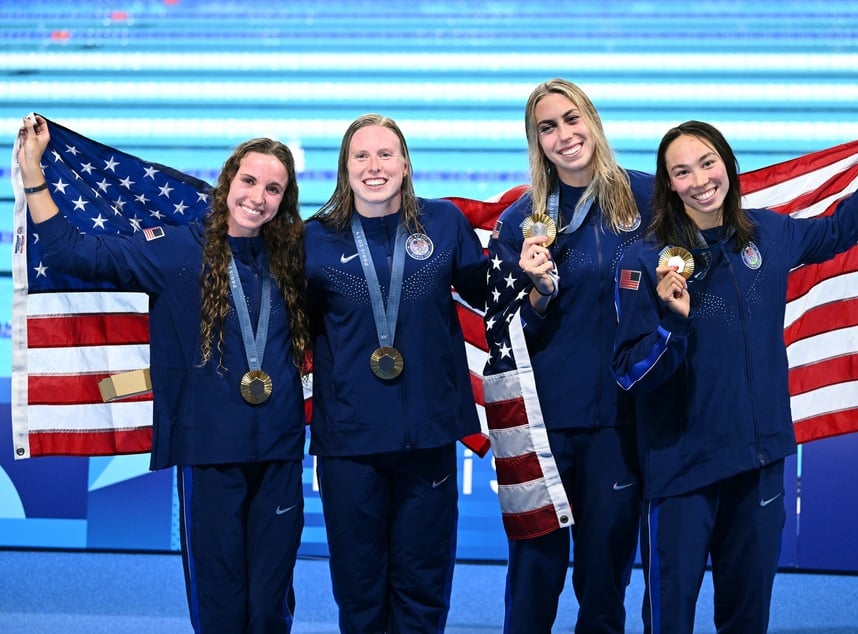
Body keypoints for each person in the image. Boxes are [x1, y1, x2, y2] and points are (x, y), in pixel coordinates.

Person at [611, 120, 858, 633]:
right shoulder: (645, 262)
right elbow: (631, 375)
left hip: (758, 461)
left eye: (708, 163)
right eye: (682, 171)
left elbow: (836, 231)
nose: (700, 180)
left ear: (728, 165)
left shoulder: (769, 234)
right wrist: (673, 324)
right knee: (670, 621)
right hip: (682, 470)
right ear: (669, 184)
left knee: (748, 619)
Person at [16, 115, 310, 633]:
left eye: (272, 189)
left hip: (279, 452)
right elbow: (71, 252)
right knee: (219, 606)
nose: (257, 197)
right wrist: (34, 173)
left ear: (284, 200)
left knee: (270, 605)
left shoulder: (294, 256)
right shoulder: (176, 248)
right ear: (227, 182)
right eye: (248, 181)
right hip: (209, 453)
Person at [303, 113, 487, 633]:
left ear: (406, 164)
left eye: (386, 154)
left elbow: (488, 298)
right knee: (360, 595)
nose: (374, 165)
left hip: (427, 437)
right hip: (349, 445)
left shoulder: (444, 224)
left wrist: (537, 275)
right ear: (345, 168)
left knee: (423, 591)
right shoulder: (313, 239)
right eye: (361, 155)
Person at [483, 78, 651, 633]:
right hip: (544, 429)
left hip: (619, 428)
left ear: (593, 121)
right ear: (537, 142)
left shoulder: (650, 202)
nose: (564, 135)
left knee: (604, 588)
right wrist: (537, 293)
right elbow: (503, 334)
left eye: (571, 119)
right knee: (533, 582)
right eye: (547, 127)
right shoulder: (519, 223)